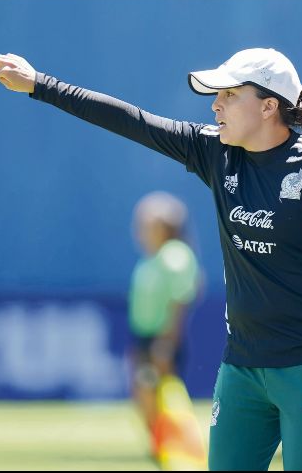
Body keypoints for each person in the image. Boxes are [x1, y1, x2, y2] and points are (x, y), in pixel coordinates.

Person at [0, 48, 302, 471]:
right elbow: (132, 120)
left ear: (270, 105)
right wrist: (38, 84)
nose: (216, 105)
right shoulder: (216, 152)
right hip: (243, 366)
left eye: (230, 95)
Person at [128, 191, 202, 466]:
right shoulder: (153, 257)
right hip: (145, 336)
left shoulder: (174, 255)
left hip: (161, 337)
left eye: (148, 224)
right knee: (147, 392)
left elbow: (179, 301)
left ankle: (175, 448)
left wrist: (166, 341)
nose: (142, 231)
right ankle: (162, 447)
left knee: (158, 391)